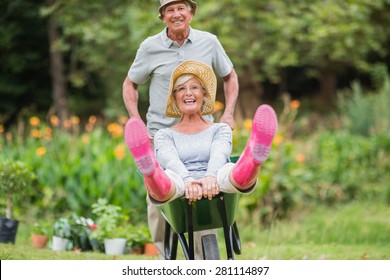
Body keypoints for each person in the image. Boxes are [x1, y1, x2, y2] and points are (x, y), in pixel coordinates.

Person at [124, 61, 278, 257]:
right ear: (175, 97)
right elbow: (170, 159)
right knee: (169, 175)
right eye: (181, 89)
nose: (188, 92)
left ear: (204, 94)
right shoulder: (164, 134)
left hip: (215, 180)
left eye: (194, 87)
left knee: (228, 169)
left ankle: (254, 156)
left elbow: (219, 153)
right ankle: (150, 169)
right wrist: (188, 180)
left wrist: (210, 177)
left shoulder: (219, 129)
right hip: (181, 183)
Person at [122, 0, 239, 258]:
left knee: (204, 192)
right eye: (170, 10)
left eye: (181, 8)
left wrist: (228, 112)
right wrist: (136, 121)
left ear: (191, 12)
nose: (176, 14)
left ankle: (201, 259)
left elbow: (230, 75)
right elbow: (130, 83)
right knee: (161, 199)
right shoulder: (150, 47)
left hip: (201, 135)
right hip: (161, 135)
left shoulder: (208, 42)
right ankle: (168, 259)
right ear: (162, 16)